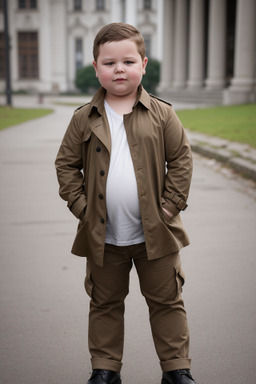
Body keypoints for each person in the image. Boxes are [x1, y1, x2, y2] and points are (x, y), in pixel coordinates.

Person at [55, 22, 195, 384]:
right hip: (103, 235)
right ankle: (105, 369)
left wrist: (168, 208)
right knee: (104, 303)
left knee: (167, 302)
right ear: (96, 67)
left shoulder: (163, 114)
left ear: (143, 65)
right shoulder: (82, 118)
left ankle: (177, 370)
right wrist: (83, 209)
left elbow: (181, 159)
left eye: (128, 61)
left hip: (156, 234)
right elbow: (66, 165)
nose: (119, 69)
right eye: (110, 62)